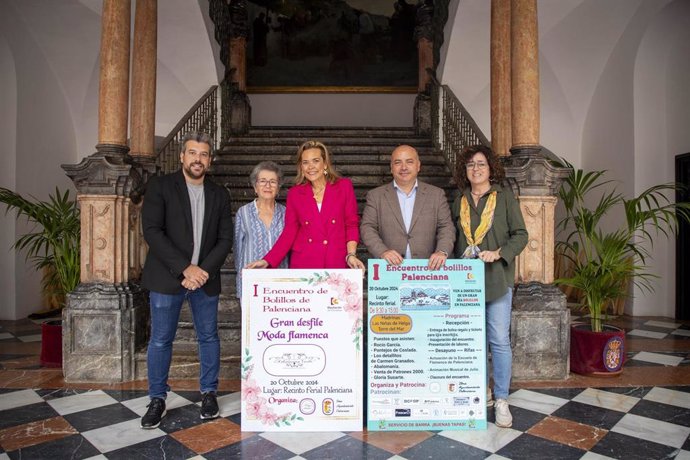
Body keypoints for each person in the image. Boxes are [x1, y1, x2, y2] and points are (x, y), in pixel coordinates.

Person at [140, 131, 232, 429]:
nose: (198, 159)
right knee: (160, 340)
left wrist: (201, 270)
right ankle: (157, 398)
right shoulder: (161, 186)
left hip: (205, 279)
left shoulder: (220, 193)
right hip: (167, 279)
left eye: (203, 154)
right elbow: (152, 231)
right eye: (192, 153)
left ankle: (208, 393)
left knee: (208, 337)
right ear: (182, 156)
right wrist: (185, 269)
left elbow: (225, 238)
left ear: (210, 159)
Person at [452, 145, 528, 429]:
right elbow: (452, 235)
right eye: (470, 165)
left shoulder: (504, 197)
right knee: (473, 340)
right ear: (465, 170)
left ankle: (502, 399)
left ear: (490, 168)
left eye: (481, 164)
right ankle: (479, 390)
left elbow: (521, 234)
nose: (476, 169)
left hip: (496, 278)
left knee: (498, 338)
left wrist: (500, 252)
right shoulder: (458, 200)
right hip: (465, 281)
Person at [246, 140, 365, 270]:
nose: (310, 167)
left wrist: (351, 255)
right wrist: (268, 260)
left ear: (325, 164)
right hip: (305, 262)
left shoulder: (344, 187)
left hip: (336, 259)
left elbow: (351, 224)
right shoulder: (295, 194)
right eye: (305, 162)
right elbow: (289, 232)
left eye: (315, 161)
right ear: (301, 167)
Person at [360, 144, 455, 269]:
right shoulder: (376, 196)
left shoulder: (436, 194)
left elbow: (446, 227)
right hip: (389, 269)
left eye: (409, 162)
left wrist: (442, 251)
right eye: (398, 162)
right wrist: (382, 251)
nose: (403, 167)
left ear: (418, 166)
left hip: (429, 270)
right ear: (391, 167)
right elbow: (368, 227)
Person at [234, 161, 287, 298]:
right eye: (262, 181)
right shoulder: (243, 213)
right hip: (253, 284)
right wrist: (242, 282)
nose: (267, 186)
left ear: (278, 187)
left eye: (273, 182)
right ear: (255, 186)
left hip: (281, 285)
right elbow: (238, 250)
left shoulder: (287, 213)